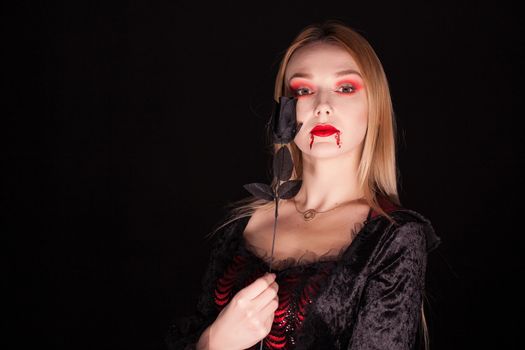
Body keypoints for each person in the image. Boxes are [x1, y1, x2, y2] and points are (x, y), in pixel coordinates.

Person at [165, 19, 441, 350]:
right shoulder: (241, 226)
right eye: (303, 91)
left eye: (346, 88)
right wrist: (214, 342)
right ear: (285, 111)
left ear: (376, 109)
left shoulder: (393, 238)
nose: (322, 105)